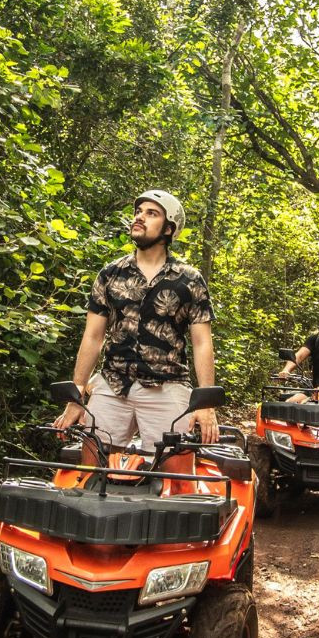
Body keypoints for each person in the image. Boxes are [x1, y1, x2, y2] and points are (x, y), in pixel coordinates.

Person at [54, 190, 220, 450]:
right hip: (112, 384)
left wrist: (205, 403)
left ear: (168, 229)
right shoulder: (110, 274)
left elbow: (202, 344)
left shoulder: (189, 279)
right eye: (138, 212)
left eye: (151, 213)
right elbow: (93, 337)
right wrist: (76, 395)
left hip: (168, 386)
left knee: (172, 473)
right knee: (92, 469)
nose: (139, 218)